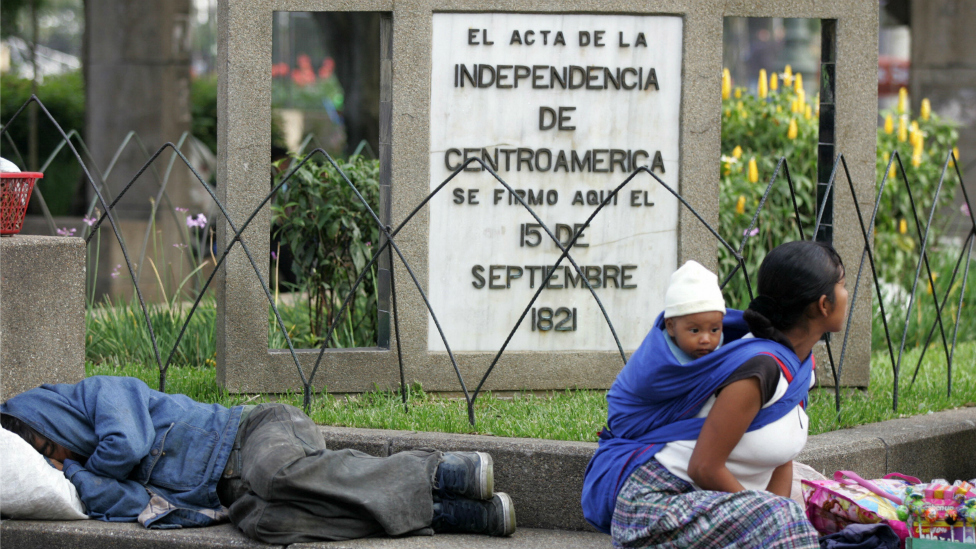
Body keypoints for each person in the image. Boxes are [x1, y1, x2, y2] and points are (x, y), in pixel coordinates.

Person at [0, 376, 516, 544]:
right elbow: (132, 500)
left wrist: (82, 470)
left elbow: (130, 445)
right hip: (235, 496)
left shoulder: (101, 393)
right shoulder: (79, 471)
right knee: (270, 522)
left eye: (50, 446)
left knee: (278, 473)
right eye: (48, 461)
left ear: (48, 419)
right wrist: (73, 478)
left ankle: (441, 470)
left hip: (256, 432)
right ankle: (446, 511)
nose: (60, 458)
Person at [582, 241, 847, 548]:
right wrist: (762, 518)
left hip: (709, 507)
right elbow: (704, 467)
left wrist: (766, 517)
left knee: (787, 517)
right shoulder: (759, 370)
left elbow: (782, 459)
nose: (846, 292)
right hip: (655, 507)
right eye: (842, 284)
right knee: (783, 517)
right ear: (823, 304)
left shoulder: (800, 366)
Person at [662, 260, 727, 362]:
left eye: (714, 330)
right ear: (671, 327)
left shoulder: (723, 348)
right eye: (695, 331)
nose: (706, 339)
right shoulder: (658, 360)